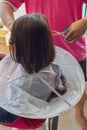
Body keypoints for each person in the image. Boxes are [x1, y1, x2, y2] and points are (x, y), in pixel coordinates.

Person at [0, 0, 87, 129]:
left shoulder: (27, 82)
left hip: (25, 117)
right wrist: (14, 27)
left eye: (13, 41)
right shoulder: (52, 69)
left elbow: (8, 115)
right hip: (37, 106)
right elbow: (4, 4)